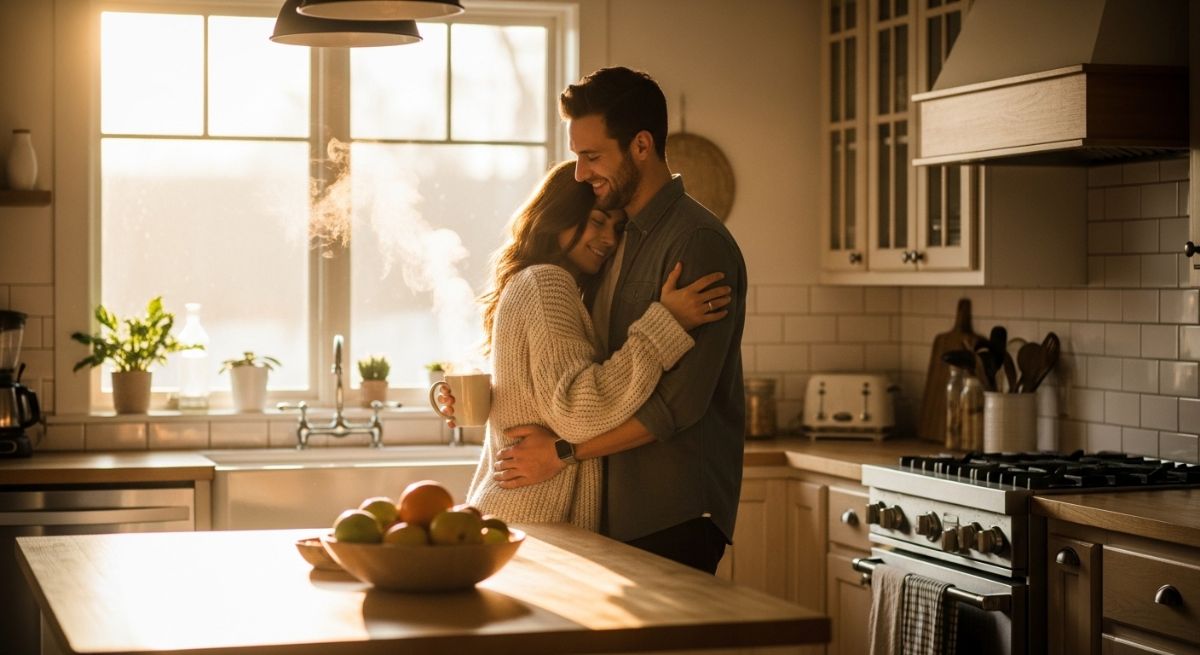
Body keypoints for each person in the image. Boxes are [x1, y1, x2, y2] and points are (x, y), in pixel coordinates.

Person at [450, 67, 749, 574]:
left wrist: (564, 451)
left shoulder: (696, 242)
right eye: (577, 157)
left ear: (640, 146)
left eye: (592, 156)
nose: (581, 172)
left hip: (669, 510)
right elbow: (567, 370)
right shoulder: (617, 241)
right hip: (611, 514)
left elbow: (676, 406)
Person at [464, 160, 732, 532]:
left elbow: (531, 392)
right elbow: (578, 410)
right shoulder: (547, 283)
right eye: (597, 221)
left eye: (618, 227)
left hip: (520, 510)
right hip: (539, 517)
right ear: (559, 216)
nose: (609, 239)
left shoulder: (533, 283)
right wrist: (666, 324)